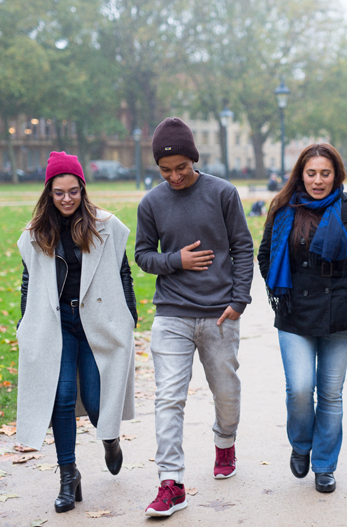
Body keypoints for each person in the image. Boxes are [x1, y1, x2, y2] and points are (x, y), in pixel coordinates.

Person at [134, 118, 254, 517]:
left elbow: (242, 246)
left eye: (181, 168)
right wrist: (176, 261)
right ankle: (171, 482)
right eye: (165, 170)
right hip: (172, 314)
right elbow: (143, 255)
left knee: (226, 393)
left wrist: (238, 301)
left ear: (194, 160)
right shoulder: (152, 202)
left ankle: (225, 442)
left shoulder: (223, 193)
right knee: (168, 397)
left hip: (220, 314)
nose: (174, 176)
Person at [257, 143, 347, 494]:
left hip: (338, 312)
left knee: (330, 394)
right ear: (301, 174)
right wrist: (280, 287)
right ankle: (300, 444)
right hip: (294, 312)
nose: (318, 180)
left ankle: (324, 465)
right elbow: (265, 255)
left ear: (336, 174)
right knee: (299, 389)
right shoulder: (284, 208)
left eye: (325, 173)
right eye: (311, 173)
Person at [16, 151, 138, 513]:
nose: (67, 199)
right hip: (58, 326)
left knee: (101, 404)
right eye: (59, 192)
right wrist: (25, 323)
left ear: (83, 190)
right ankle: (69, 475)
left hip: (97, 323)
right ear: (48, 194)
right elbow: (28, 281)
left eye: (73, 191)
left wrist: (130, 316)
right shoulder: (35, 234)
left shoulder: (107, 225)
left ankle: (110, 438)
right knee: (63, 396)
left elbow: (124, 273)